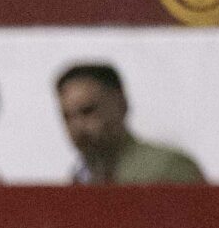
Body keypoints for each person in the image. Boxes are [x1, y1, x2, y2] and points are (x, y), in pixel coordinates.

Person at [55, 64, 203, 184]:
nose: (77, 126)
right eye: (67, 117)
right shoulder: (80, 180)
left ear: (121, 105)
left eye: (88, 111)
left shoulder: (167, 169)